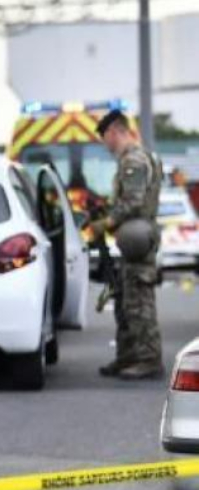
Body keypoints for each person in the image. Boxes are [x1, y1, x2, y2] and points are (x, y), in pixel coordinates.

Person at [88, 110, 164, 380]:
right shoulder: (137, 158)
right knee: (125, 298)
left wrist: (106, 222)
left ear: (114, 132)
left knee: (139, 301)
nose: (106, 145)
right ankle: (128, 355)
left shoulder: (133, 160)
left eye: (105, 138)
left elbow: (132, 202)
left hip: (138, 239)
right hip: (134, 239)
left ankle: (148, 359)